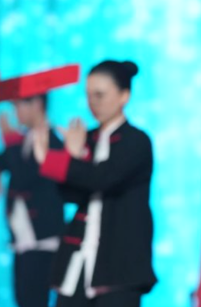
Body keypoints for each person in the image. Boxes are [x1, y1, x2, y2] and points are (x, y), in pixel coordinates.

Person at [33, 60, 156, 307]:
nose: (93, 103)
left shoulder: (137, 141)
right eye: (89, 95)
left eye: (100, 95)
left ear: (124, 96)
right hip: (78, 260)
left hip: (119, 266)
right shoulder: (87, 137)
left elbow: (103, 178)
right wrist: (71, 156)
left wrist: (64, 160)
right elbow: (70, 194)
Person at [0, 94, 64, 307]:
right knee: (23, 299)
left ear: (37, 104)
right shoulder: (24, 140)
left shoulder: (52, 141)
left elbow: (26, 177)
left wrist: (11, 140)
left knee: (33, 300)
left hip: (43, 241)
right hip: (23, 240)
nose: (16, 113)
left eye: (19, 106)